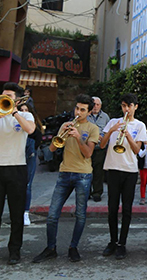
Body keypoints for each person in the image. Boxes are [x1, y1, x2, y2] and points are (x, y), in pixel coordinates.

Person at [32, 95, 99, 263]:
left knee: (80, 214)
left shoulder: (93, 128)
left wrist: (77, 137)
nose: (78, 112)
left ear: (89, 112)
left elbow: (88, 153)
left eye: (83, 110)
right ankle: (50, 248)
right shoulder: (65, 125)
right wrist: (63, 133)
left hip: (83, 174)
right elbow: (53, 148)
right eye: (77, 108)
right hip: (64, 173)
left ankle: (73, 247)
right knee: (52, 214)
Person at [100, 93, 147, 260]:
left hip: (129, 171)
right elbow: (102, 144)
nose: (126, 109)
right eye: (123, 106)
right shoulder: (113, 122)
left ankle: (122, 243)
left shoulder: (140, 125)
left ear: (135, 107)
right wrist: (111, 131)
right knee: (112, 208)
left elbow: (137, 150)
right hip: (112, 169)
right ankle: (112, 241)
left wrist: (127, 135)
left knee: (126, 209)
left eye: (129, 106)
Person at [0, 82, 36, 265]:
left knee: (16, 214)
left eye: (9, 96)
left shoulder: (25, 114)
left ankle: (14, 251)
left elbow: (30, 130)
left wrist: (13, 112)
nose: (4, 98)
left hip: (17, 168)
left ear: (17, 99)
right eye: (3, 95)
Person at [19, 103, 42, 226]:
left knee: (27, 185)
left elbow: (36, 141)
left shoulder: (34, 131)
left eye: (26, 110)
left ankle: (25, 213)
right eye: (21, 110)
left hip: (29, 156)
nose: (23, 112)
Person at [87, 96, 111, 202]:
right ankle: (86, 192)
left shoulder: (106, 117)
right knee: (86, 171)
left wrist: (103, 137)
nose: (96, 106)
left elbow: (109, 132)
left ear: (101, 105)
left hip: (100, 148)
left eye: (98, 104)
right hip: (87, 147)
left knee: (98, 171)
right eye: (94, 104)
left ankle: (97, 192)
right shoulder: (86, 116)